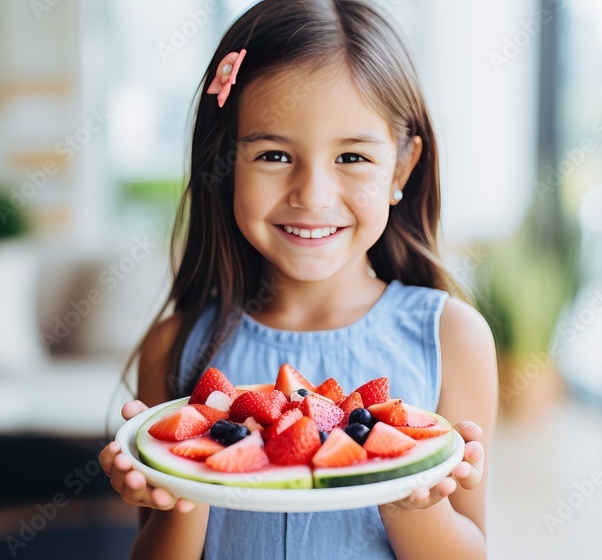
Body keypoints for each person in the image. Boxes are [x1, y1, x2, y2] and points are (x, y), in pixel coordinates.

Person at [99, 1, 498, 557]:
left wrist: (414, 501)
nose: (312, 195)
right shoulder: (173, 346)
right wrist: (179, 489)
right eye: (274, 153)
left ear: (401, 168)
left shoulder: (452, 338)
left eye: (353, 157)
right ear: (225, 162)